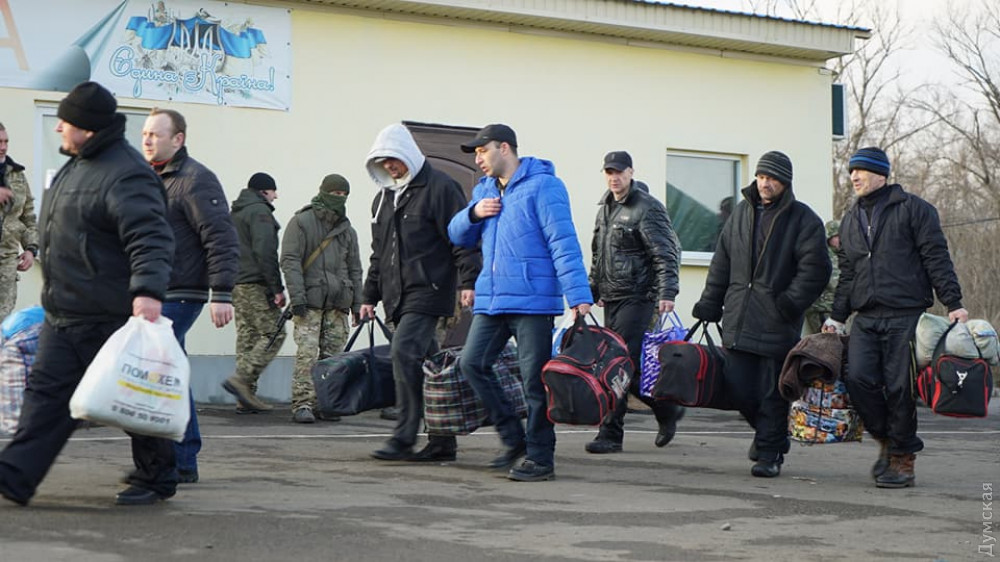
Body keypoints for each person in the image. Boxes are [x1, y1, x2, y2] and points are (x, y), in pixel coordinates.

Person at [0, 81, 177, 506]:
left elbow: (151, 236)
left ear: (87, 127)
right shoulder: (77, 165)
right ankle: (15, 477)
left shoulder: (126, 172)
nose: (58, 127)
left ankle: (158, 476)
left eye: (66, 121)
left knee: (129, 396)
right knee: (47, 396)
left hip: (107, 310)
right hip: (64, 309)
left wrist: (148, 291)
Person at [449, 124, 592, 482]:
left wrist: (578, 296)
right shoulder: (484, 191)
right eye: (476, 154)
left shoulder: (544, 186)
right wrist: (473, 213)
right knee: (471, 363)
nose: (478, 160)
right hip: (493, 299)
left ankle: (540, 458)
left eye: (482, 151)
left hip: (533, 302)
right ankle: (513, 437)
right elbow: (456, 235)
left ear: (504, 148)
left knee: (535, 382)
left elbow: (563, 242)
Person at [823, 147, 966, 489]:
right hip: (866, 317)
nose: (854, 177)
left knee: (901, 388)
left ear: (880, 174)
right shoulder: (850, 220)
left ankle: (903, 460)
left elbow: (936, 257)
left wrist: (953, 302)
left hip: (906, 314)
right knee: (857, 380)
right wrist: (837, 317)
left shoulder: (915, 209)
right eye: (851, 171)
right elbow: (848, 275)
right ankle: (888, 440)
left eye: (860, 170)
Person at [691, 150, 829, 478]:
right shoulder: (741, 213)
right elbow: (721, 262)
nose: (765, 183)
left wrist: (788, 303)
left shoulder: (803, 219)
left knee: (770, 393)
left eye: (772, 178)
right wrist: (710, 303)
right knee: (738, 387)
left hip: (776, 321)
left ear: (785, 182)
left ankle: (769, 453)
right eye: (762, 177)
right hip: (738, 317)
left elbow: (816, 270)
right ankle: (773, 436)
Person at [361, 123, 480, 462]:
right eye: (382, 161)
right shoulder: (383, 198)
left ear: (408, 154)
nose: (389, 166)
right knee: (431, 366)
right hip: (397, 294)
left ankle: (403, 436)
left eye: (393, 158)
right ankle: (443, 441)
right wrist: (369, 296)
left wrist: (468, 281)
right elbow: (379, 253)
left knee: (403, 353)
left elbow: (462, 238)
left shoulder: (441, 188)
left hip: (430, 288)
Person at [141, 108, 239, 483]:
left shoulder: (196, 179)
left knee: (162, 369)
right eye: (145, 133)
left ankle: (180, 458)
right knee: (168, 370)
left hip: (181, 291)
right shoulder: (151, 178)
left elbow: (221, 237)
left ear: (178, 139)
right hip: (154, 289)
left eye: (155, 134)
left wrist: (222, 293)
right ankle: (180, 459)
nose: (147, 139)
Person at [586, 150, 684, 454]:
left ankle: (610, 433)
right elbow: (599, 255)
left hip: (639, 297)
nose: (614, 177)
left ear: (630, 172)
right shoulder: (605, 208)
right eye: (609, 172)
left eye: (619, 172)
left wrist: (667, 292)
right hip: (612, 297)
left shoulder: (647, 207)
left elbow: (665, 252)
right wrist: (591, 292)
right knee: (630, 366)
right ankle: (666, 408)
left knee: (616, 363)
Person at [280, 174, 362, 423]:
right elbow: (290, 261)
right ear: (324, 192)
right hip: (310, 302)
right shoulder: (301, 222)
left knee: (334, 358)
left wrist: (357, 304)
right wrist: (297, 298)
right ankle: (302, 403)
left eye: (344, 195)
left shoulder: (348, 230)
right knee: (307, 355)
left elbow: (355, 268)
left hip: (338, 304)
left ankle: (326, 403)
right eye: (335, 193)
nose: (340, 198)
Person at [223, 173, 286, 413]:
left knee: (247, 336)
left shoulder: (236, 212)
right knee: (274, 333)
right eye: (273, 191)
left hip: (237, 283)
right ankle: (241, 379)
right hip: (256, 283)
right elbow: (265, 251)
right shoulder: (260, 212)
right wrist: (276, 288)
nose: (275, 196)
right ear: (263, 191)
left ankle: (244, 398)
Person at [0, 122, 39, 321]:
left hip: (6, 266)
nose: (3, 147)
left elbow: (28, 217)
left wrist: (31, 249)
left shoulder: (18, 176)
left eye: (6, 142)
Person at [802, 220, 841, 335]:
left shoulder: (839, 254)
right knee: (824, 341)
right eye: (836, 236)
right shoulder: (823, 255)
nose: (840, 240)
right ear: (829, 237)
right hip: (821, 308)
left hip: (833, 308)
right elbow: (834, 283)